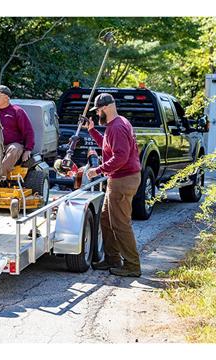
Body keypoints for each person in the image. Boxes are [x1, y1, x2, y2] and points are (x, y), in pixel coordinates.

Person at [86, 93, 142, 277]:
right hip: (119, 178)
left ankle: (132, 266)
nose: (98, 113)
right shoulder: (116, 124)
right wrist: (92, 130)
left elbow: (120, 157)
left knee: (120, 223)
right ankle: (112, 259)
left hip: (123, 180)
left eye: (99, 110)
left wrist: (98, 170)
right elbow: (108, 147)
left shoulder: (117, 127)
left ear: (107, 107)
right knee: (105, 219)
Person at [0, 85, 35, 186]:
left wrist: (28, 150)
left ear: (6, 98)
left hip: (12, 145)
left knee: (14, 148)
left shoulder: (17, 111)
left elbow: (28, 131)